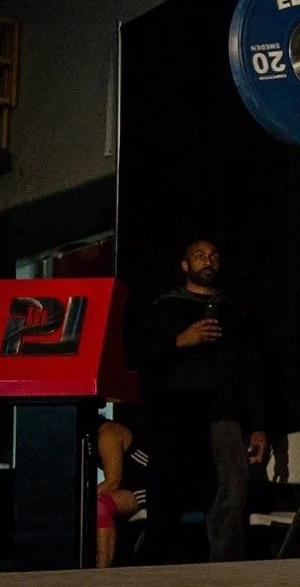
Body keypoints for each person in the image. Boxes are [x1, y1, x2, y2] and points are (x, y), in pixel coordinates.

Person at [136, 240, 270, 561]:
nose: (207, 261)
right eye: (199, 255)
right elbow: (141, 359)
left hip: (224, 415)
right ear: (185, 265)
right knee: (169, 495)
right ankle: (163, 573)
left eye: (213, 256)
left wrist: (259, 426)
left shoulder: (235, 313)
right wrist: (181, 340)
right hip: (177, 415)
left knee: (231, 491)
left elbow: (252, 373)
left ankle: (225, 571)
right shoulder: (164, 309)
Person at [94, 415, 148, 568]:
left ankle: (102, 569)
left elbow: (113, 482)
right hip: (127, 488)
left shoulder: (107, 434)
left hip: (145, 488)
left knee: (100, 506)